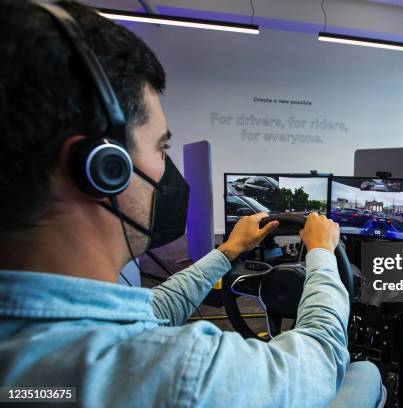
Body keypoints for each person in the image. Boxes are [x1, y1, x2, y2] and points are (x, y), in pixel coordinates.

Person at [0, 1, 383, 407]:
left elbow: (155, 307)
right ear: (102, 168)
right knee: (365, 373)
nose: (169, 166)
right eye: (161, 147)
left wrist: (228, 251)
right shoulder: (186, 372)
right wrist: (322, 255)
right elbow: (320, 361)